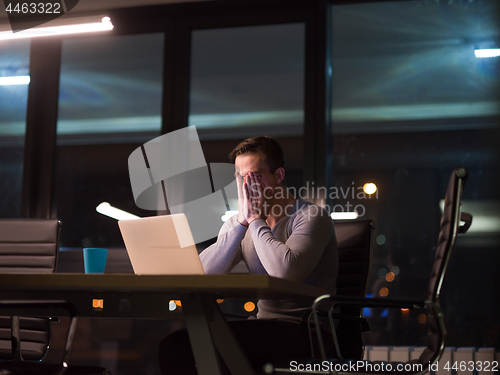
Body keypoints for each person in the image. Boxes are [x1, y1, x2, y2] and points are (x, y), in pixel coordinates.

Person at [158, 136, 338, 375]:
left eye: (253, 176)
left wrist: (255, 219)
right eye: (239, 178)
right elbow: (202, 274)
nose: (245, 186)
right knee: (176, 346)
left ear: (279, 175)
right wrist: (242, 223)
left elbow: (284, 273)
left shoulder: (311, 216)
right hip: (264, 325)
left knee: (198, 349)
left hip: (308, 331)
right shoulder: (239, 223)